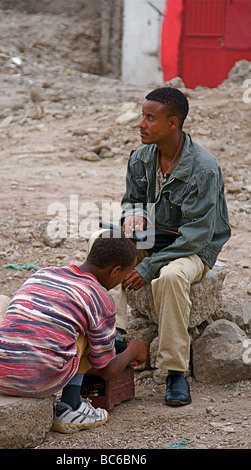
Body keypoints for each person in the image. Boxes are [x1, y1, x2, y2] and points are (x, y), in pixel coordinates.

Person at [89, 87, 231, 407]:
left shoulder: (203, 168)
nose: (141, 123)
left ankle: (174, 371)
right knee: (101, 245)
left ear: (173, 123)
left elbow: (196, 236)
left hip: (195, 247)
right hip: (155, 237)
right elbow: (131, 202)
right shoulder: (141, 157)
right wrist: (132, 218)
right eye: (142, 115)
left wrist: (148, 265)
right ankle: (113, 334)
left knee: (170, 276)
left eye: (150, 118)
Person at [0, 230, 147, 434]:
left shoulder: (43, 274)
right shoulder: (100, 297)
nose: (121, 281)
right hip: (43, 381)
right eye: (124, 275)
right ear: (115, 271)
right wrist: (133, 350)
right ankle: (71, 405)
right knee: (86, 328)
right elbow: (106, 368)